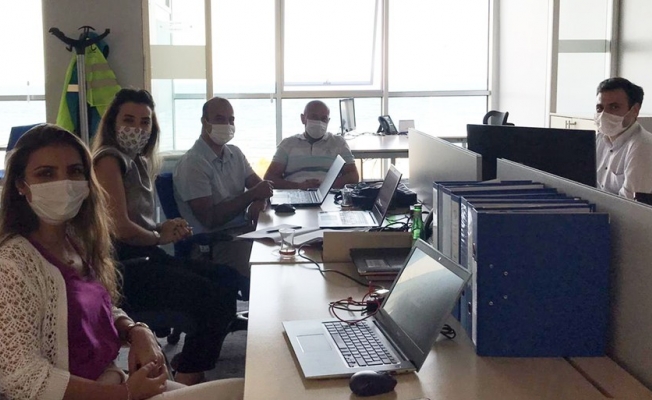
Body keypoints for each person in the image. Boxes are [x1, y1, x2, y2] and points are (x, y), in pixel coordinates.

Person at [0, 124, 244, 399]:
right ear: (20, 185)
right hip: (101, 393)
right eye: (46, 173)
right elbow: (21, 379)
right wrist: (123, 393)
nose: (64, 183)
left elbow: (95, 308)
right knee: (238, 392)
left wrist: (135, 330)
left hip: (113, 380)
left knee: (242, 390)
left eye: (75, 171)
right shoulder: (12, 265)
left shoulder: (76, 241)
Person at [91, 89, 243, 386]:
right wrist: (157, 237)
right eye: (129, 120)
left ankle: (189, 365)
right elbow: (119, 227)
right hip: (125, 268)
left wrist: (162, 228)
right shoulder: (109, 160)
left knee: (226, 279)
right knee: (214, 298)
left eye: (145, 122)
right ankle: (188, 377)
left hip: (146, 254)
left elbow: (138, 221)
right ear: (112, 123)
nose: (137, 129)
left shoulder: (138, 160)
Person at [174, 97, 273, 279]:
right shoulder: (193, 164)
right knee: (269, 269)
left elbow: (262, 187)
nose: (227, 125)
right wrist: (252, 195)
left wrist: (260, 200)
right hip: (215, 243)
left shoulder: (235, 153)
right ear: (204, 122)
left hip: (243, 232)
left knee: (287, 249)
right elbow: (210, 219)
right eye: (220, 119)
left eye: (231, 120)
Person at [264, 100, 359, 189]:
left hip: (329, 194)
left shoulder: (338, 143)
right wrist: (298, 186)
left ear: (328, 121)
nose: (319, 122)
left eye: (324, 118)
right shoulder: (288, 144)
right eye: (314, 117)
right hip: (296, 192)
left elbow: (353, 176)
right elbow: (269, 178)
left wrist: (326, 186)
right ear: (303, 119)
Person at [595, 77, 652, 199]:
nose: (604, 114)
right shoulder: (600, 138)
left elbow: (629, 202)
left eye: (614, 107)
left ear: (635, 110)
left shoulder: (643, 146)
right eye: (600, 108)